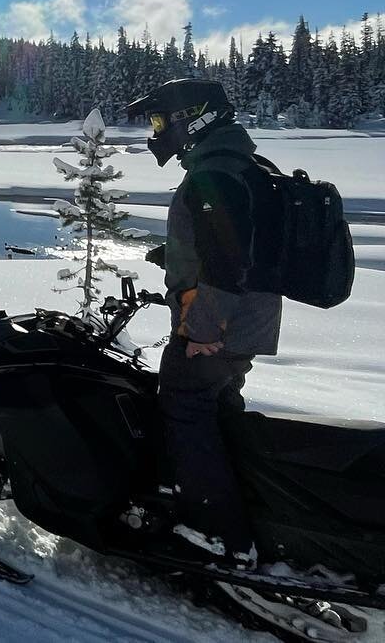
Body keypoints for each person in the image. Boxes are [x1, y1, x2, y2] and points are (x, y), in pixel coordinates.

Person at [126, 79, 281, 567]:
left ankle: (218, 533)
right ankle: (253, 516)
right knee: (219, 414)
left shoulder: (215, 172)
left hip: (217, 328)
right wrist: (172, 255)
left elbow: (229, 261)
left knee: (184, 408)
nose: (156, 131)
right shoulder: (239, 163)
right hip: (244, 324)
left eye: (159, 120)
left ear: (192, 117)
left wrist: (202, 332)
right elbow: (231, 243)